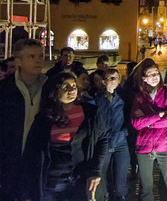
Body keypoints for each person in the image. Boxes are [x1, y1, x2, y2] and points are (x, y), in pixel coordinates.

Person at [22, 71, 109, 201]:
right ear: (55, 91)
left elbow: (102, 139)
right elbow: (32, 150)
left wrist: (96, 170)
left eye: (74, 86)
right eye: (65, 87)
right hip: (52, 182)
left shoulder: (90, 113)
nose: (72, 90)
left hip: (80, 180)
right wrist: (28, 187)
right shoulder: (44, 118)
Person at [131, 58, 167, 201]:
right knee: (146, 188)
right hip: (144, 146)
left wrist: (148, 122)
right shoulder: (139, 97)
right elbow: (136, 123)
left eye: (157, 73)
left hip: (165, 144)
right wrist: (158, 115)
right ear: (144, 78)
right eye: (151, 74)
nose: (155, 76)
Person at [0, 39, 48, 200]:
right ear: (18, 61)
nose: (38, 60)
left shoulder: (49, 89)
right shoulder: (5, 90)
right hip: (9, 160)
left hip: (38, 162)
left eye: (40, 56)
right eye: (32, 57)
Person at [94, 68, 130, 201]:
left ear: (119, 80)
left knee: (121, 178)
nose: (112, 80)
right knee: (102, 177)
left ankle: (121, 196)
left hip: (120, 140)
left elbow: (129, 117)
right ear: (104, 81)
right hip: (104, 141)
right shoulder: (97, 98)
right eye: (109, 78)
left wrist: (123, 132)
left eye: (115, 78)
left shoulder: (124, 97)